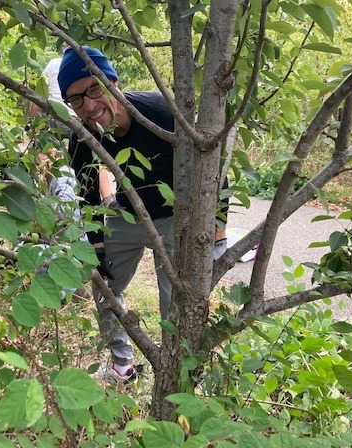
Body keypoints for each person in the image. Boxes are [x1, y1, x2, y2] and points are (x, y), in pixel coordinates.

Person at [58, 46, 229, 385]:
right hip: (128, 212)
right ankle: (123, 366)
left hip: (177, 219)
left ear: (114, 82)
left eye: (94, 88)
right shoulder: (82, 138)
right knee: (104, 288)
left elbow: (214, 170)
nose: (89, 105)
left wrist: (218, 230)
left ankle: (177, 373)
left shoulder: (161, 113)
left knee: (176, 305)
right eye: (76, 100)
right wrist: (98, 249)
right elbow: (89, 195)